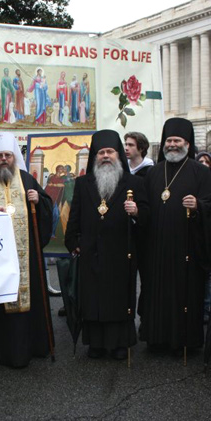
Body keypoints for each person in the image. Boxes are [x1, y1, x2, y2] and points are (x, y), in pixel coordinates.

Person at [66, 130, 149, 359]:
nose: (105, 156)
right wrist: (73, 242)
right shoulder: (83, 183)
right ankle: (96, 344)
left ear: (118, 155)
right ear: (95, 156)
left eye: (110, 152)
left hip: (121, 253)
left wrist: (137, 212)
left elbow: (148, 217)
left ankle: (120, 344)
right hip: (91, 251)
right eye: (101, 152)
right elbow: (75, 216)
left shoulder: (134, 183)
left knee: (119, 300)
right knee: (92, 299)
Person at [0, 132, 54, 367]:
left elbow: (46, 206)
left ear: (14, 157)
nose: (3, 159)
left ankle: (31, 346)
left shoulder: (26, 178)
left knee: (26, 297)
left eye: (8, 155)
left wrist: (39, 199)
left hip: (25, 254)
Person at [140, 118, 211, 354]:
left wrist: (198, 206)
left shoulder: (201, 172)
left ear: (187, 143)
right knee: (156, 294)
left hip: (187, 248)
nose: (172, 145)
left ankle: (184, 341)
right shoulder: (153, 173)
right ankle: (156, 339)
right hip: (156, 248)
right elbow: (145, 208)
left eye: (177, 141)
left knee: (184, 296)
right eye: (169, 141)